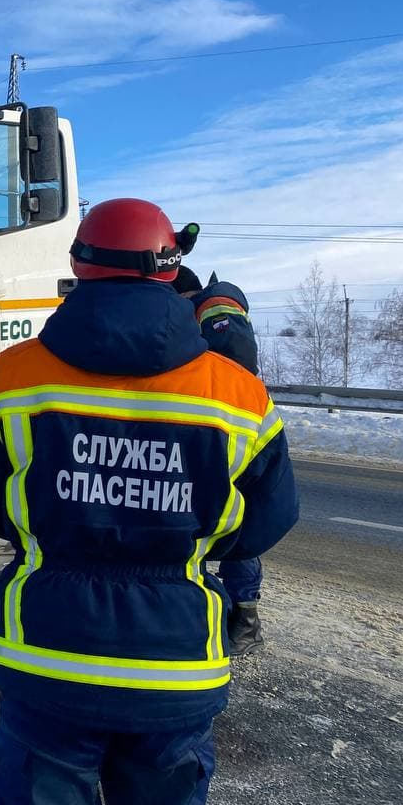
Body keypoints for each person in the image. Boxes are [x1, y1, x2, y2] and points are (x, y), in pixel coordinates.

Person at [0, 198, 299, 805]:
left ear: (79, 266)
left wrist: (54, 522)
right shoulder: (238, 393)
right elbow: (270, 518)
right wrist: (183, 536)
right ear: (171, 271)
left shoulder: (11, 378)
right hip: (176, 665)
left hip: (47, 656)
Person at [173, 265, 266, 656]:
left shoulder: (207, 312)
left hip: (222, 425)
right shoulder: (209, 312)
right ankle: (238, 617)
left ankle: (241, 622)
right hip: (233, 423)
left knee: (223, 519)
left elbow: (225, 371)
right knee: (226, 518)